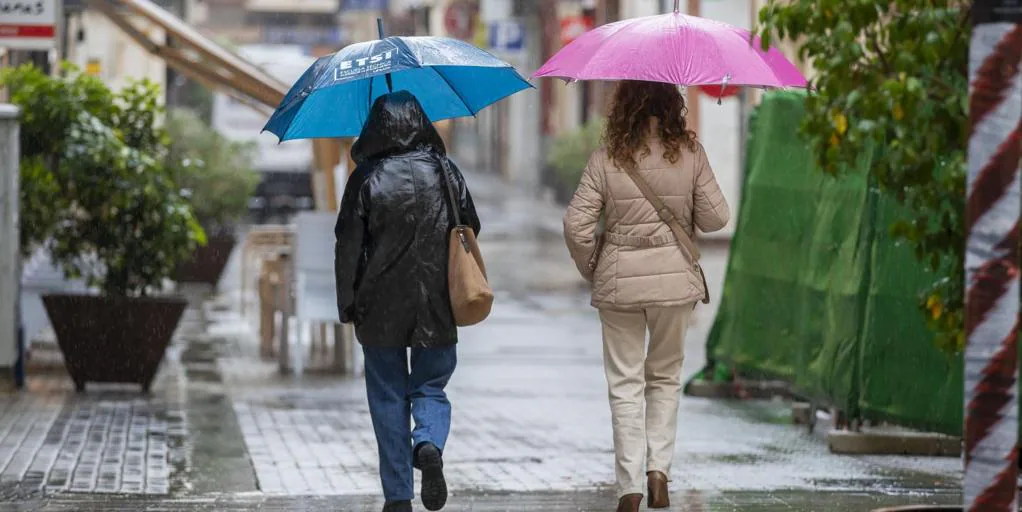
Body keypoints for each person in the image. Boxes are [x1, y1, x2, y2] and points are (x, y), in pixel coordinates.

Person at [562, 80, 730, 512]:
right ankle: (659, 472)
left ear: (624, 108)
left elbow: (576, 227)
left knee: (625, 384)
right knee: (664, 378)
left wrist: (593, 268)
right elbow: (717, 219)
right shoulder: (690, 153)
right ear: (672, 106)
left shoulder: (606, 158)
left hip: (619, 284)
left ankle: (629, 489)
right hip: (674, 285)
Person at [335, 91, 480, 512]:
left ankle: (398, 496)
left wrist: (348, 302)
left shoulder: (365, 177)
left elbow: (347, 245)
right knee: (431, 385)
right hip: (437, 301)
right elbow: (470, 225)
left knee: (387, 396)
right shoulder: (445, 171)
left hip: (378, 306)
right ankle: (429, 442)